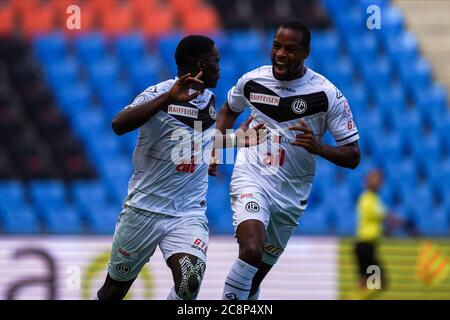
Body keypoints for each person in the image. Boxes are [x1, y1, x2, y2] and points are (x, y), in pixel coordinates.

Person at [95, 35, 264, 300]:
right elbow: (119, 124)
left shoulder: (208, 101)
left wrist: (238, 139)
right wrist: (167, 98)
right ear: (200, 64)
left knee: (189, 281)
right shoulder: (159, 92)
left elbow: (195, 143)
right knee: (114, 291)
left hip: (187, 212)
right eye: (216, 61)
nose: (220, 67)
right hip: (144, 210)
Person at [211, 20, 361, 300]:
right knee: (252, 250)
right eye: (276, 46)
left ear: (306, 52)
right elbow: (228, 109)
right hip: (251, 177)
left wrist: (318, 147)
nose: (280, 54)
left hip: (292, 194)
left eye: (290, 49)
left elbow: (353, 156)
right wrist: (218, 149)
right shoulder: (253, 81)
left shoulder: (326, 95)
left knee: (253, 281)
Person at [351, 169, 403, 299]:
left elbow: (377, 221)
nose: (378, 182)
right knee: (380, 281)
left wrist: (386, 230)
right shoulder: (367, 198)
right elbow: (384, 216)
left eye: (379, 179)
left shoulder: (374, 198)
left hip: (366, 247)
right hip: (365, 246)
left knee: (365, 281)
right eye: (375, 179)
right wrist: (402, 223)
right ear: (367, 181)